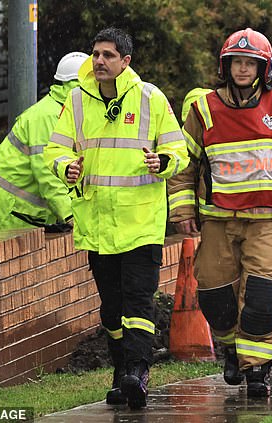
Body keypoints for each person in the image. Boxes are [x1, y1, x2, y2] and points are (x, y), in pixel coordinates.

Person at [167, 28, 272, 397]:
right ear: (226, 65)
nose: (243, 69)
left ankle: (257, 371)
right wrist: (183, 208)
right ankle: (233, 349)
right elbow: (185, 166)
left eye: (251, 63)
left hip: (266, 222)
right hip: (218, 221)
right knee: (216, 298)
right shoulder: (203, 110)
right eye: (237, 62)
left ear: (263, 68)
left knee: (263, 299)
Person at [43, 27, 189, 409]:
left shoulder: (150, 98)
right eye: (96, 54)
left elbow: (179, 150)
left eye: (108, 55)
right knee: (111, 309)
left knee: (138, 303)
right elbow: (54, 150)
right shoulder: (76, 99)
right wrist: (65, 168)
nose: (100, 61)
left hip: (141, 224)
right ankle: (122, 369)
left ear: (126, 62)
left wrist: (164, 162)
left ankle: (138, 372)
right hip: (97, 226)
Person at [0, 52, 89, 239]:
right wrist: (71, 217)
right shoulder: (48, 116)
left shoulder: (68, 112)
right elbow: (48, 174)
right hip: (0, 210)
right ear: (78, 86)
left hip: (14, 210)